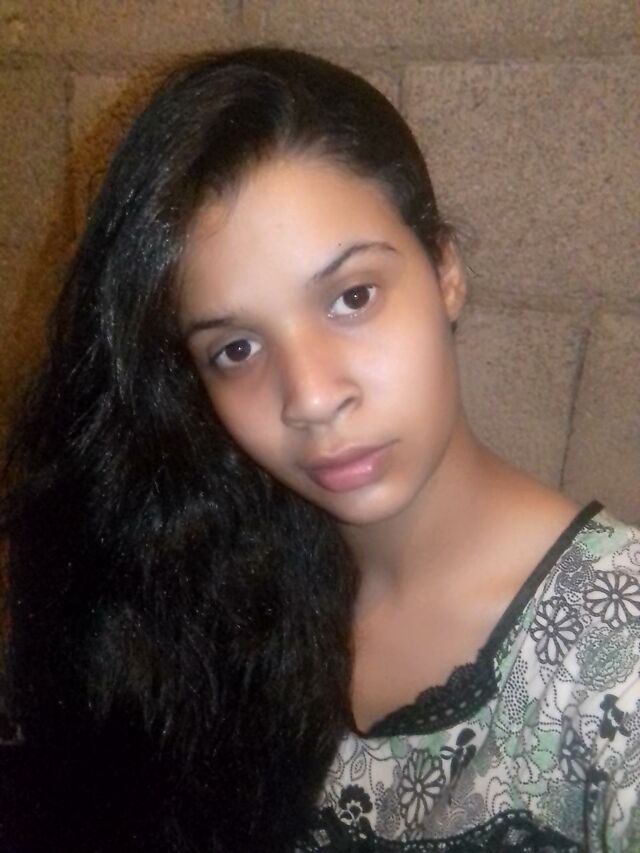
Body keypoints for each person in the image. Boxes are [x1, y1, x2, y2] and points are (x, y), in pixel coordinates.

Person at [0, 47, 638, 853]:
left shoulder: (619, 659)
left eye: (352, 296)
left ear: (445, 269)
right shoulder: (214, 580)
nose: (308, 397)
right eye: (236, 348)